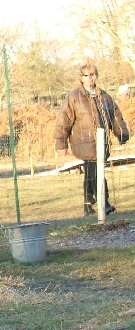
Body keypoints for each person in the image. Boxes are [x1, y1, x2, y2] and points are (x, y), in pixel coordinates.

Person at [55, 62, 130, 216]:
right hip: (84, 142)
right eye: (86, 75)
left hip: (102, 142)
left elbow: (115, 116)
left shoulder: (104, 97)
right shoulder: (74, 97)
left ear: (97, 76)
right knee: (94, 170)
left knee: (92, 172)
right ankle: (104, 202)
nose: (90, 78)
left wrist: (121, 133)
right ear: (81, 78)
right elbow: (63, 120)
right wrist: (61, 143)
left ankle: (88, 204)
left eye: (93, 74)